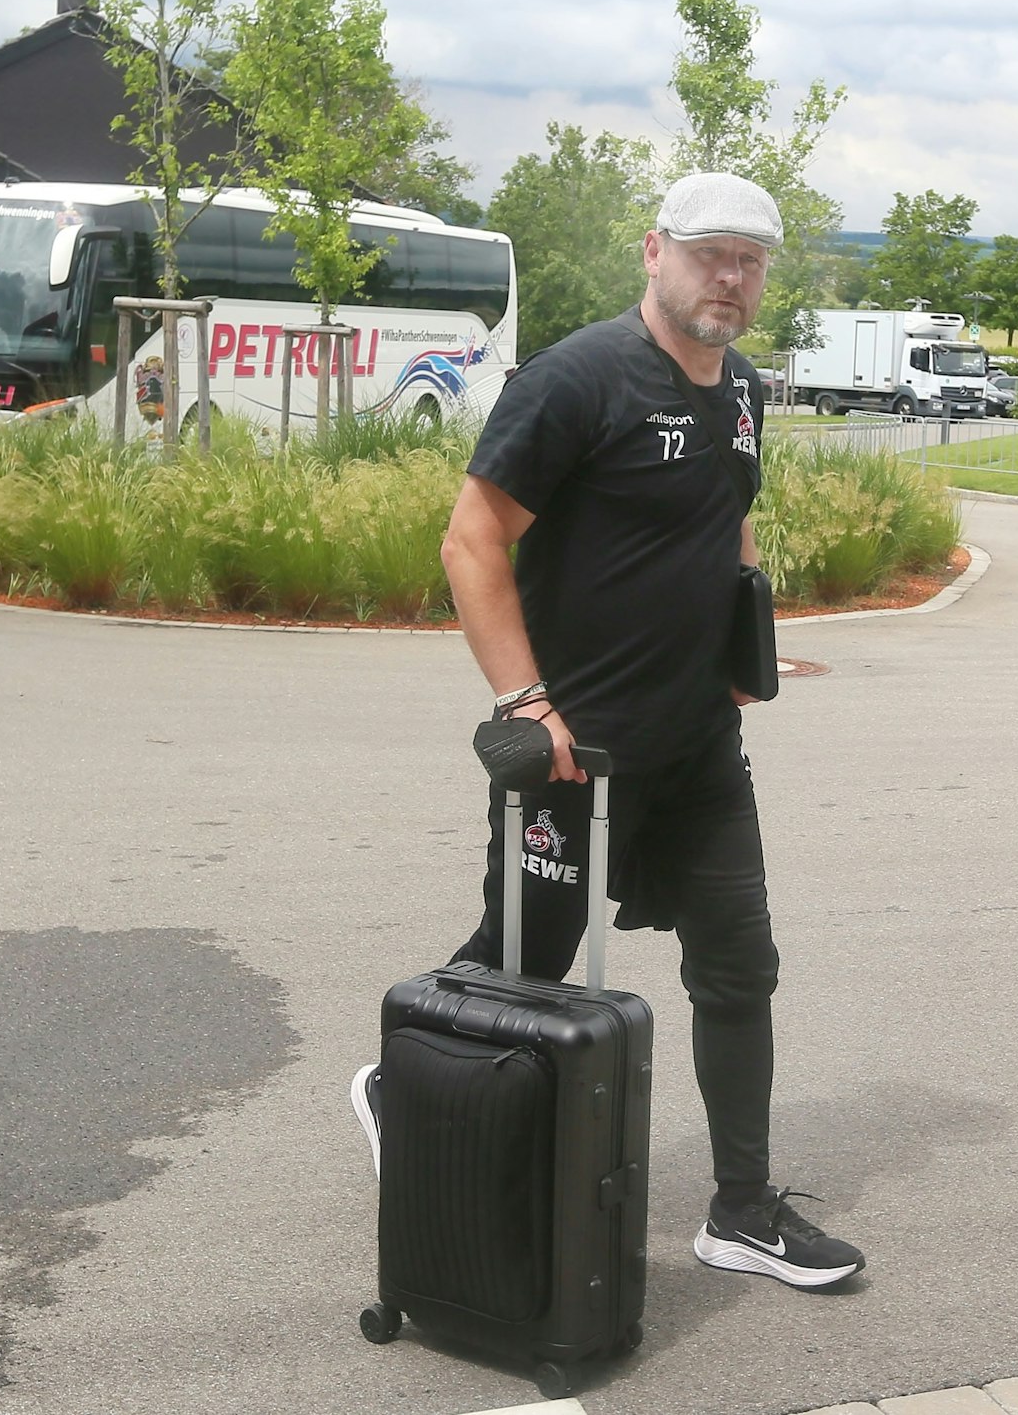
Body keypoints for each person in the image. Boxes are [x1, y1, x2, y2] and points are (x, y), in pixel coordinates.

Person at [351, 172, 864, 1289]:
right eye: (709, 253)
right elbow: (471, 539)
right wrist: (524, 703)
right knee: (522, 965)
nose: (730, 277)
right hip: (574, 757)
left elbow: (727, 524)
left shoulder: (743, 390)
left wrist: (742, 653)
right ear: (653, 251)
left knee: (738, 966)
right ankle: (408, 1084)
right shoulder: (576, 379)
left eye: (750, 261)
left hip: (697, 751)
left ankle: (740, 1211)